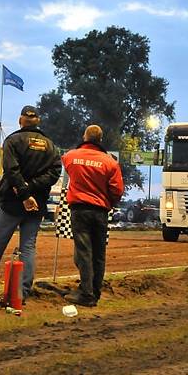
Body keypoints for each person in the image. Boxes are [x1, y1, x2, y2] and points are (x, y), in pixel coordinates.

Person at [0, 105, 61, 303]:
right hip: (36, 204)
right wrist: (32, 189)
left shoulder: (12, 140)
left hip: (12, 203)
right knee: (28, 246)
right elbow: (54, 173)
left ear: (21, 121)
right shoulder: (50, 145)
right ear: (38, 122)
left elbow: (11, 171)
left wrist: (23, 192)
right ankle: (21, 291)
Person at [61, 125, 124, 307]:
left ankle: (86, 294)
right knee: (99, 253)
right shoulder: (110, 162)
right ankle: (95, 293)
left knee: (83, 253)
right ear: (101, 141)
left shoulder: (70, 156)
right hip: (100, 211)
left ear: (84, 137)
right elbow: (117, 190)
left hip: (79, 210)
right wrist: (108, 203)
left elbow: (68, 167)